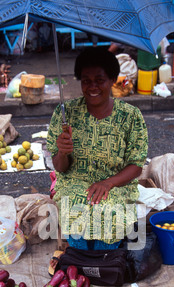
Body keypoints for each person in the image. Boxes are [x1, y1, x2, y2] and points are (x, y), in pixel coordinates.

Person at [47, 47, 148, 271]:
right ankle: (78, 258)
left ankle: (106, 261)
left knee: (109, 208)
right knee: (74, 202)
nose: (92, 87)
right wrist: (62, 152)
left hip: (115, 182)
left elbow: (136, 165)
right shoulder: (65, 114)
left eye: (99, 80)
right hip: (76, 181)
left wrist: (108, 183)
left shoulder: (130, 116)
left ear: (112, 79)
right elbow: (59, 168)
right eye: (86, 80)